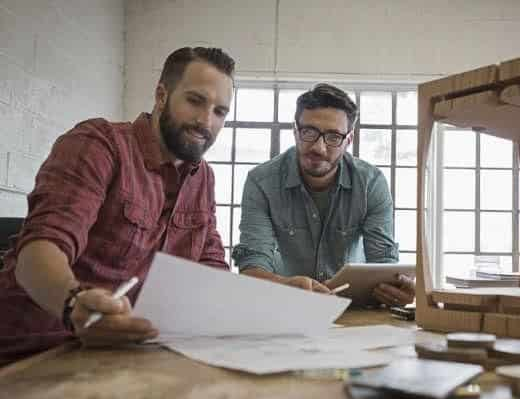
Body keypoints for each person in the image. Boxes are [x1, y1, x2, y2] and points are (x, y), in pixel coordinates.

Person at [0, 46, 235, 364]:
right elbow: (39, 250)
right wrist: (74, 305)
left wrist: (278, 297)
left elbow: (212, 271)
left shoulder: (202, 177)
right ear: (162, 95)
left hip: (124, 354)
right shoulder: (99, 144)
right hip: (35, 350)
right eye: (195, 101)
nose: (206, 122)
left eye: (220, 111)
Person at [232, 83, 415, 306]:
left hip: (354, 310)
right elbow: (252, 267)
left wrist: (397, 290)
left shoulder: (371, 184)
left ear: (349, 140)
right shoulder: (261, 182)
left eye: (333, 137)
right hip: (285, 305)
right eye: (309, 132)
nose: (319, 148)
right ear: (295, 131)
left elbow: (384, 264)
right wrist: (286, 287)